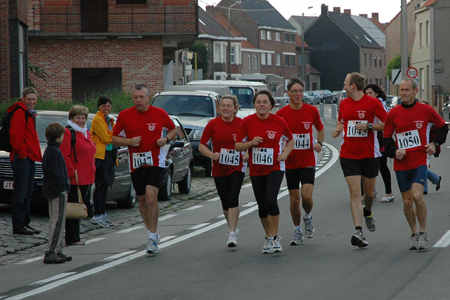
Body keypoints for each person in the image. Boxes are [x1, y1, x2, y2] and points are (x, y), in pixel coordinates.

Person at [112, 84, 177, 254]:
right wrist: (128, 142)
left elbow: (173, 130)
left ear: (148, 97)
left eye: (141, 97)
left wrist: (166, 140)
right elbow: (114, 138)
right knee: (141, 200)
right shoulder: (125, 115)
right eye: (135, 97)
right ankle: (150, 232)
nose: (138, 101)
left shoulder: (159, 113)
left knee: (150, 197)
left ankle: (153, 236)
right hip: (137, 162)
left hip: (156, 160)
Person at [384, 79, 448, 250]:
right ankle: (414, 233)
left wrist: (435, 144)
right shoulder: (393, 113)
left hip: (420, 159)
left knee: (417, 197)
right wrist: (394, 151)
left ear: (415, 91)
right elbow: (386, 138)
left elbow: (443, 127)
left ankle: (424, 231)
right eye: (401, 90)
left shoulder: (425, 110)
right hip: (401, 162)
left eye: (407, 90)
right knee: (406, 202)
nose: (403, 93)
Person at [332, 72, 387, 248]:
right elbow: (341, 120)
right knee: (355, 193)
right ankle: (358, 231)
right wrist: (338, 129)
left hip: (369, 154)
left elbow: (388, 123)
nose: (343, 87)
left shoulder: (373, 103)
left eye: (345, 84)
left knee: (369, 195)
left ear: (353, 86)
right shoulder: (344, 103)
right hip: (348, 154)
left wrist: (369, 126)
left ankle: (368, 212)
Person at [236, 90, 294, 254]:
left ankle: (275, 237)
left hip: (275, 166)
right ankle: (268, 237)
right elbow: (237, 145)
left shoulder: (279, 121)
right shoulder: (247, 121)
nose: (262, 105)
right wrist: (250, 144)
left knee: (270, 200)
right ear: (254, 104)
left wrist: (285, 154)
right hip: (256, 168)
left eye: (265, 102)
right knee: (261, 204)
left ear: (271, 105)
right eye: (258, 102)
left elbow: (290, 140)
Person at [276, 78, 324, 245]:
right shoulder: (281, 115)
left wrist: (319, 143)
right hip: (290, 162)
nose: (298, 94)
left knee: (306, 197)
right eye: (294, 91)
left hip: (307, 160)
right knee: (294, 200)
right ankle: (297, 230)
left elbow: (320, 128)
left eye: (300, 91)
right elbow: (275, 134)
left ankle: (308, 217)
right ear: (288, 93)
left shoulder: (311, 110)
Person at [199, 95, 247, 247]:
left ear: (235, 108)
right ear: (220, 108)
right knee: (225, 202)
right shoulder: (212, 124)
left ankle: (232, 234)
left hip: (237, 166)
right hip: (219, 168)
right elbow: (202, 146)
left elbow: (250, 142)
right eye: (223, 105)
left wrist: (246, 154)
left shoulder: (242, 124)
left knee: (233, 198)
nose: (226, 108)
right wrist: (212, 155)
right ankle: (232, 227)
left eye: (229, 106)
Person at [60, 105, 96, 246]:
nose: (81, 120)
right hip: (76, 178)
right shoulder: (69, 132)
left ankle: (76, 236)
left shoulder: (85, 132)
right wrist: (71, 174)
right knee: (73, 209)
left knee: (80, 208)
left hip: (86, 176)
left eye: (83, 118)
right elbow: (65, 154)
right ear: (72, 118)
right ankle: (72, 238)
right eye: (78, 118)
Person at [9, 87, 43, 235]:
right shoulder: (20, 113)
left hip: (29, 158)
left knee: (28, 192)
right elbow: (16, 136)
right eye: (29, 99)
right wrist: (22, 154)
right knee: (21, 193)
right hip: (22, 158)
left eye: (34, 99)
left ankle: (25, 223)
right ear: (23, 99)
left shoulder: (30, 114)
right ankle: (18, 225)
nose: (32, 102)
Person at [42, 122, 71, 264]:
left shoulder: (48, 150)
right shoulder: (55, 151)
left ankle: (58, 250)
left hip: (50, 189)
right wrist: (63, 189)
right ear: (59, 137)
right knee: (57, 221)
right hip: (57, 191)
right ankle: (51, 251)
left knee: (56, 219)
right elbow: (58, 173)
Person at [363, 84, 394, 203]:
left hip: (381, 138)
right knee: (366, 166)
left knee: (382, 166)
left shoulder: (381, 104)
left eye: (370, 93)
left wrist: (370, 126)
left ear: (376, 93)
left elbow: (386, 122)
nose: (368, 95)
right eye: (366, 93)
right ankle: (370, 192)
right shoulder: (366, 104)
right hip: (369, 138)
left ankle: (389, 192)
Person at [90, 96, 117, 228]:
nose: (106, 108)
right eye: (104, 106)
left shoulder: (110, 120)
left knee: (105, 185)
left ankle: (102, 213)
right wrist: (113, 135)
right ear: (99, 107)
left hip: (110, 155)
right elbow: (107, 138)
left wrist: (113, 134)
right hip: (100, 157)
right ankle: (97, 214)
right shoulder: (97, 119)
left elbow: (118, 135)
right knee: (100, 185)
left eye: (108, 106)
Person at [418, 99, 442, 194]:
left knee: (422, 165)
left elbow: (440, 128)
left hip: (429, 144)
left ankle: (424, 189)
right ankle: (436, 179)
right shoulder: (416, 116)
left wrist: (435, 143)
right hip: (418, 145)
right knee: (420, 165)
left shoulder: (431, 118)